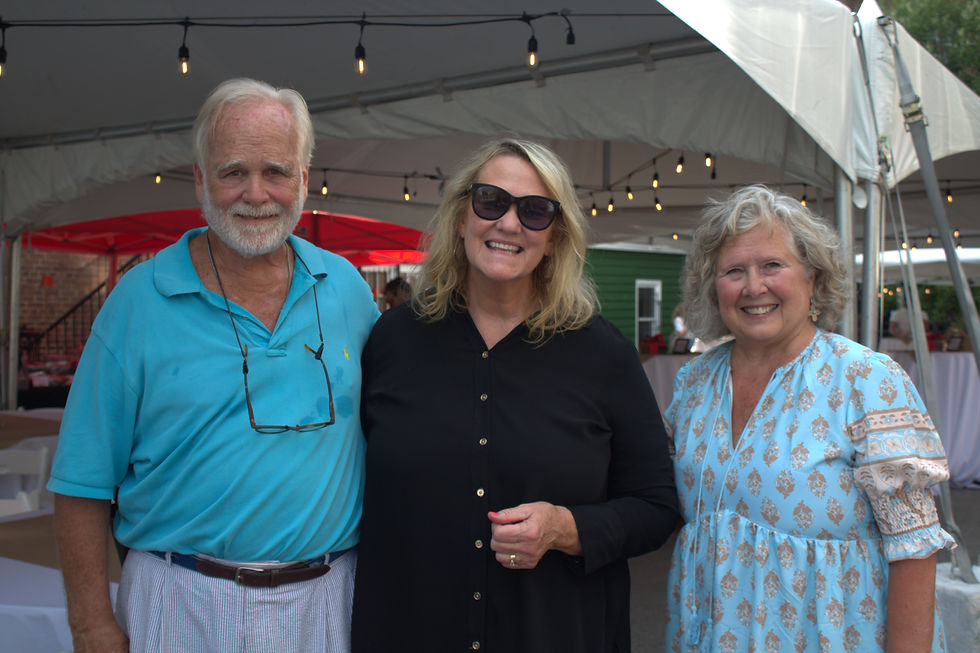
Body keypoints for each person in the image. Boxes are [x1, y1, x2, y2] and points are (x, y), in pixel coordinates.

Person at [48, 78, 379, 653]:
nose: (256, 193)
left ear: (303, 180)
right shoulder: (140, 300)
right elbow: (82, 481)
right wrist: (91, 625)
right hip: (181, 604)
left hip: (329, 603)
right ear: (201, 180)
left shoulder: (347, 288)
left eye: (275, 171)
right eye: (232, 172)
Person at [351, 137, 680, 652]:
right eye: (491, 201)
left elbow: (657, 505)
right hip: (412, 631)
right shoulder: (393, 341)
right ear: (461, 217)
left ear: (554, 238)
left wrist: (566, 528)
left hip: (555, 635)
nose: (508, 223)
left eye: (534, 212)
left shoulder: (602, 354)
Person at [664, 185, 954, 652]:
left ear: (814, 278)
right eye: (734, 270)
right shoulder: (694, 383)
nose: (753, 287)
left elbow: (915, 550)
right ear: (711, 285)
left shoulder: (867, 380)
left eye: (772, 266)